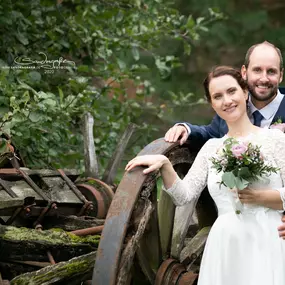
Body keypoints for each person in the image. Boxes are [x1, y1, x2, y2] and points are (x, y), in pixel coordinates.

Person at [126, 66, 285, 285]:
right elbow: (184, 196)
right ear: (212, 104)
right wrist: (164, 164)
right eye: (217, 96)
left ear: (245, 92)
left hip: (269, 239)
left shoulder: (275, 141)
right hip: (226, 244)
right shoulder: (212, 148)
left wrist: (260, 198)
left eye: (231, 91)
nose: (227, 101)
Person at [164, 41, 285, 238]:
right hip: (230, 233)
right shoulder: (229, 113)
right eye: (257, 70)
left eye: (271, 71)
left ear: (281, 74)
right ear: (245, 73)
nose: (264, 78)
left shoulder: (276, 138)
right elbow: (209, 135)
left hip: (275, 232)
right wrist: (184, 128)